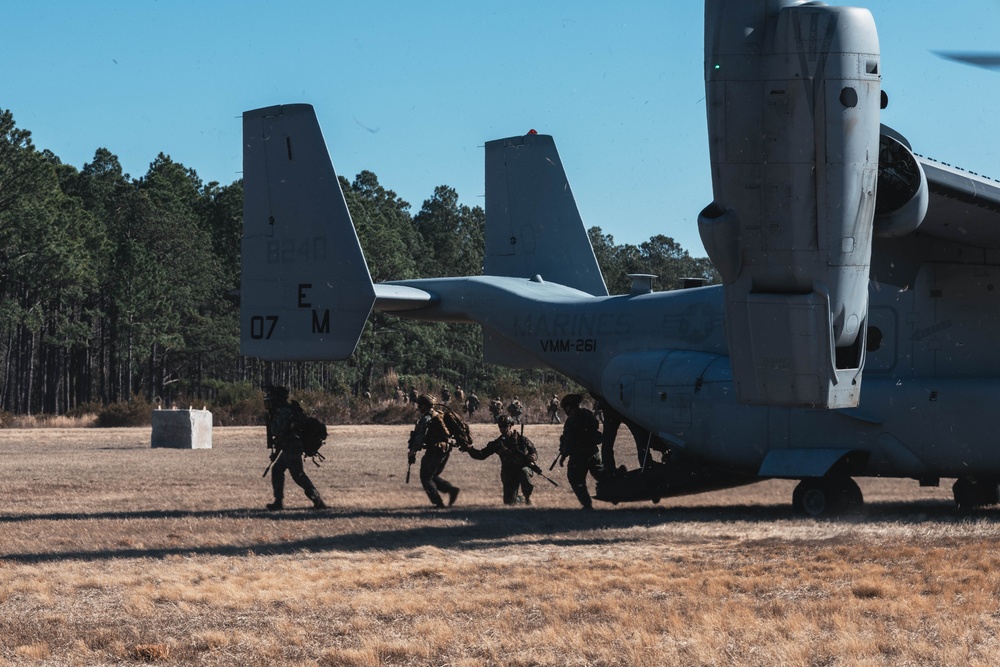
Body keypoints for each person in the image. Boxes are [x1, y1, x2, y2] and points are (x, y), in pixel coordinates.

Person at [263, 385, 327, 511]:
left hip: (292, 446)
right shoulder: (287, 410)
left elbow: (280, 431)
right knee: (277, 470)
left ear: (278, 399)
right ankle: (278, 501)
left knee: (298, 475)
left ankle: (316, 499)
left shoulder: (284, 412)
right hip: (289, 446)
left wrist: (271, 424)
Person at [463, 415, 538, 505]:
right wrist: (469, 449)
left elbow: (534, 451)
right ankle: (519, 498)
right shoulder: (497, 444)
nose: (502, 429)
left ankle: (527, 498)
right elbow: (481, 455)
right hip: (509, 473)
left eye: (505, 426)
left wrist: (532, 457)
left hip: (524, 468)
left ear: (510, 426)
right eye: (500, 426)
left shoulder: (522, 440)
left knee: (524, 472)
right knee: (509, 503)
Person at [407, 394, 460, 508]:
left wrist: (413, 450)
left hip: (435, 450)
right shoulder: (440, 415)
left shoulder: (427, 418)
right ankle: (451, 490)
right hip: (444, 449)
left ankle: (438, 503)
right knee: (432, 475)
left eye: (420, 405)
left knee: (426, 477)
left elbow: (420, 437)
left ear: (425, 406)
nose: (418, 407)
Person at [557, 393, 605, 510]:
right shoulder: (586, 413)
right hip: (594, 452)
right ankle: (617, 483)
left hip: (580, 455)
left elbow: (569, 440)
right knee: (601, 474)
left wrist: (563, 455)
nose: (565, 411)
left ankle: (587, 504)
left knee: (575, 477)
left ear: (569, 407)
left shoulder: (572, 419)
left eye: (565, 408)